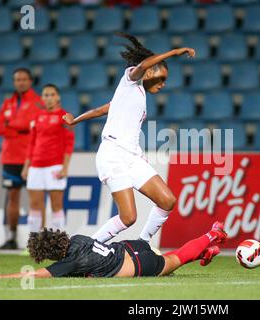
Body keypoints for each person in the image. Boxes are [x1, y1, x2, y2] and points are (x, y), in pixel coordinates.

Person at [63, 32, 196, 245]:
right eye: (161, 78)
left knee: (167, 200)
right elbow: (142, 67)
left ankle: (143, 244)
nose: (163, 84)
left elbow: (101, 110)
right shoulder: (130, 79)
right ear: (150, 71)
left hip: (132, 156)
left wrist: (74, 121)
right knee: (128, 217)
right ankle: (87, 248)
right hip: (113, 154)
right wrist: (175, 52)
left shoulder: (136, 96)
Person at [0, 222, 226, 279]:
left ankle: (212, 234)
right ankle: (205, 249)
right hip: (132, 247)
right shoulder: (78, 238)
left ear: (49, 254)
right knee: (174, 260)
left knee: (176, 259)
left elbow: (34, 275)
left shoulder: (69, 263)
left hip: (137, 266)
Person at [0, 68, 43, 250]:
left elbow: (29, 124)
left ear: (30, 81)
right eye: (17, 79)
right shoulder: (8, 103)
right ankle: (11, 239)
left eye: (23, 79)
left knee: (35, 199)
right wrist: (17, 127)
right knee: (12, 198)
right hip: (10, 158)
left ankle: (38, 241)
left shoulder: (37, 102)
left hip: (31, 157)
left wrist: (10, 125)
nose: (20, 82)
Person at [21, 84, 75, 233]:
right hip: (36, 166)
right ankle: (34, 243)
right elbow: (31, 143)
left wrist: (65, 167)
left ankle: (59, 244)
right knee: (34, 205)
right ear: (42, 98)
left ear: (58, 97)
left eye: (52, 95)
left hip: (55, 166)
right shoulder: (37, 117)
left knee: (56, 205)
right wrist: (26, 166)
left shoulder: (65, 116)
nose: (49, 98)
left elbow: (69, 144)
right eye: (45, 95)